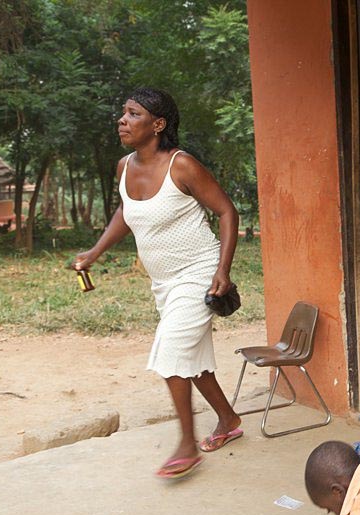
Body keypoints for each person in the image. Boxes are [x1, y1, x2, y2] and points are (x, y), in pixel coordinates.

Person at [74, 88, 243, 479]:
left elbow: (226, 211)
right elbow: (126, 211)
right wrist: (95, 252)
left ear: (158, 124)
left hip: (198, 272)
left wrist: (223, 270)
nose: (123, 120)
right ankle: (229, 419)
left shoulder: (182, 166)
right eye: (123, 113)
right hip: (164, 283)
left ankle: (187, 444)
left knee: (170, 354)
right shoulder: (124, 167)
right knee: (194, 363)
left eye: (133, 114)